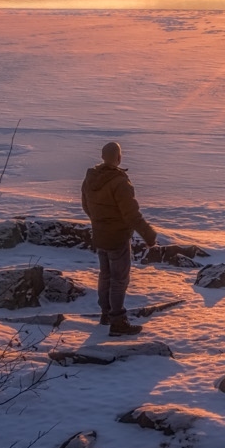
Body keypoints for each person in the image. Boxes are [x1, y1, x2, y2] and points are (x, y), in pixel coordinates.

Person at [80, 140, 160, 336]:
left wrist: (99, 223)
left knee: (105, 275)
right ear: (118, 157)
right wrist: (149, 236)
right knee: (118, 280)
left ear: (102, 157)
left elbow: (86, 206)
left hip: (100, 236)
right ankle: (118, 321)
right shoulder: (120, 183)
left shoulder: (90, 179)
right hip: (117, 238)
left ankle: (106, 314)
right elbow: (131, 215)